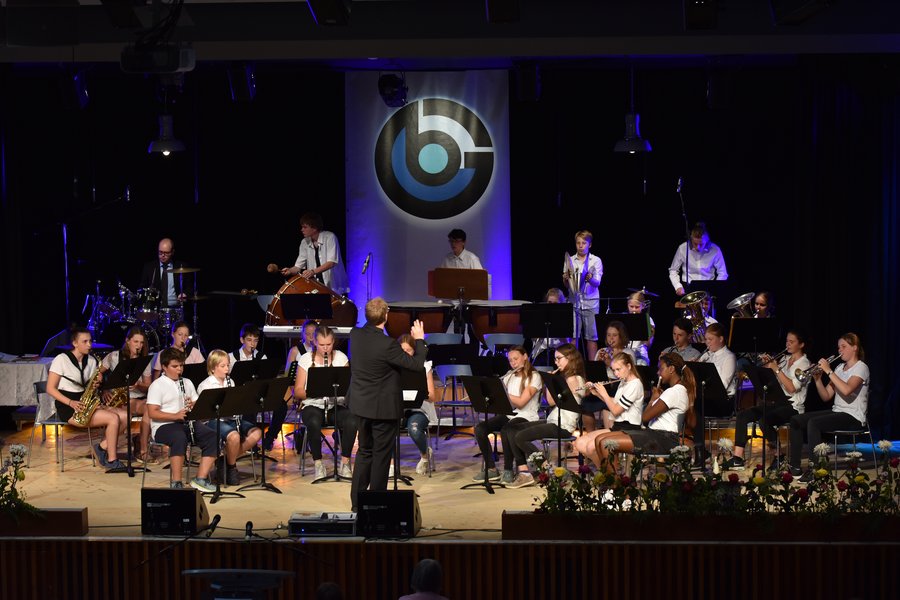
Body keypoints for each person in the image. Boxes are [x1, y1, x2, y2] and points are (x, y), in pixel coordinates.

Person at [348, 298, 427, 511]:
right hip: (382, 410)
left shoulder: (355, 335)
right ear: (386, 315)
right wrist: (420, 340)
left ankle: (357, 504)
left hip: (360, 406)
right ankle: (375, 506)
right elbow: (416, 365)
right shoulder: (388, 345)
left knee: (364, 452)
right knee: (381, 456)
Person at [593, 352, 696, 474]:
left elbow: (645, 417)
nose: (658, 373)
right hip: (656, 435)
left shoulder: (674, 392)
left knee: (605, 443)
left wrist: (653, 400)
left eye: (661, 369)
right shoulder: (678, 390)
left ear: (671, 369)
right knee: (599, 439)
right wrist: (654, 399)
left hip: (662, 439)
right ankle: (612, 480)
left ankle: (614, 483)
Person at [724, 330, 810, 471]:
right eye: (787, 341)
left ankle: (778, 456)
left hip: (793, 407)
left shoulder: (805, 364)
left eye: (792, 342)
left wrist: (776, 369)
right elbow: (771, 382)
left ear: (801, 345)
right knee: (743, 415)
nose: (787, 344)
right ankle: (737, 458)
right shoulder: (784, 359)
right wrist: (766, 368)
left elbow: (791, 388)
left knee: (764, 420)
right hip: (778, 403)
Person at [789, 333, 869, 482]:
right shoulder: (839, 368)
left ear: (855, 348)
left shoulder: (861, 368)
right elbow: (826, 396)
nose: (840, 350)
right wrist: (818, 380)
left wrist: (828, 371)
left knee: (814, 423)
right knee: (796, 420)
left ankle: (815, 470)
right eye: (839, 347)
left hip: (854, 416)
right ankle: (794, 466)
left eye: (844, 346)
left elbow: (846, 390)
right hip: (837, 411)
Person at [46, 327, 128, 470]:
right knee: (113, 418)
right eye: (85, 341)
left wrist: (96, 384)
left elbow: (90, 386)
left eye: (90, 341)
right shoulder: (61, 359)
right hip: (68, 405)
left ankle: (101, 448)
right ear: (75, 343)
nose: (89, 345)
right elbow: (50, 389)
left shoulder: (91, 360)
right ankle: (112, 460)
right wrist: (71, 403)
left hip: (85, 401)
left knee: (125, 415)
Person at [506, 343, 586, 489]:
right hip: (553, 420)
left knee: (520, 437)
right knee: (512, 430)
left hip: (563, 425)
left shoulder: (574, 379)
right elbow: (550, 402)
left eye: (559, 358)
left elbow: (558, 400)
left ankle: (545, 468)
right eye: (555, 359)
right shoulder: (564, 377)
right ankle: (527, 472)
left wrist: (552, 382)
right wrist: (549, 382)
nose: (556, 362)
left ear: (570, 358)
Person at [146, 347, 218, 491]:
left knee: (212, 436)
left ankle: (200, 479)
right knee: (179, 437)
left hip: (186, 422)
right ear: (164, 367)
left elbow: (197, 403)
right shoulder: (157, 385)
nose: (179, 369)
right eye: (175, 366)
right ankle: (176, 482)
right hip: (163, 426)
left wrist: (193, 405)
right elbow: (152, 413)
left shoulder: (187, 382)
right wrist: (175, 416)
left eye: (181, 365)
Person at [469, 345, 542, 484]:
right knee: (480, 429)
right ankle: (491, 469)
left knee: (506, 429)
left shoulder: (535, 376)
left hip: (526, 416)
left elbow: (521, 402)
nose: (513, 363)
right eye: (510, 360)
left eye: (516, 359)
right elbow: (504, 402)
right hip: (510, 414)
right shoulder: (509, 375)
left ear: (525, 356)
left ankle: (508, 469)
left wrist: (501, 393)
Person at [294, 326, 356, 481]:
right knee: (313, 422)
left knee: (352, 420)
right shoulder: (306, 359)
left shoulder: (341, 358)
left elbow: (348, 389)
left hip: (336, 405)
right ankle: (318, 463)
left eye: (329, 344)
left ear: (333, 342)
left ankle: (345, 462)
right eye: (322, 345)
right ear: (315, 342)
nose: (325, 348)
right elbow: (298, 391)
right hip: (313, 405)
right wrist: (316, 390)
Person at [196, 350, 263, 486]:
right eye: (223, 366)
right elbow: (205, 412)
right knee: (234, 437)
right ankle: (232, 467)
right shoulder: (205, 385)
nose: (227, 369)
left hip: (231, 419)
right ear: (213, 368)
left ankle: (225, 460)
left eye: (228, 365)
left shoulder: (230, 381)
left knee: (256, 433)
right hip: (214, 421)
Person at [574, 352, 645, 465]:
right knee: (580, 443)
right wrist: (596, 393)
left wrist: (604, 393)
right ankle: (606, 471)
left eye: (618, 369)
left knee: (591, 447)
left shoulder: (635, 385)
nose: (616, 373)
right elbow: (615, 402)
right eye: (613, 370)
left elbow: (616, 410)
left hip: (629, 429)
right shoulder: (624, 381)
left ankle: (609, 472)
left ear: (629, 366)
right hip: (618, 427)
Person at [100, 325, 153, 462]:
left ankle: (142, 449)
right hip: (119, 400)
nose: (139, 346)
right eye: (136, 342)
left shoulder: (144, 361)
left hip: (137, 399)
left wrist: (139, 385)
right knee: (124, 415)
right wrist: (105, 389)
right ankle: (105, 447)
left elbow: (148, 386)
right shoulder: (114, 356)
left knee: (151, 409)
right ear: (127, 341)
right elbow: (97, 374)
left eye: (141, 343)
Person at [693, 322, 737, 466]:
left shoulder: (729, 357)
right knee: (691, 404)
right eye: (706, 339)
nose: (707, 343)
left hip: (724, 402)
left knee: (696, 406)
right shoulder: (707, 355)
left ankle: (700, 451)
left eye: (710, 339)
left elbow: (723, 385)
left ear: (721, 339)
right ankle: (699, 450)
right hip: (708, 399)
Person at [279, 212, 349, 294]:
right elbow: (298, 267)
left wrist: (313, 272)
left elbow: (331, 262)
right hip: (316, 287)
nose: (302, 230)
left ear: (314, 228)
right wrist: (290, 270)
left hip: (334, 286)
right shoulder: (304, 242)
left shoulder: (330, 237)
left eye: (305, 227)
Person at [398, 333, 438, 476]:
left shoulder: (424, 367)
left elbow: (432, 396)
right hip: (399, 408)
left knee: (414, 429)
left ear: (415, 351)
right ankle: (390, 464)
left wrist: (418, 392)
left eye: (408, 350)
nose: (405, 354)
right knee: (386, 427)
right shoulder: (394, 367)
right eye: (402, 350)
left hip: (420, 409)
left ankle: (425, 455)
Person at [563, 230, 603, 360]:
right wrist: (565, 279)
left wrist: (590, 278)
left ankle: (592, 367)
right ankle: (572, 366)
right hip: (574, 303)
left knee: (591, 338)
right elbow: (567, 285)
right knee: (574, 337)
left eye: (584, 243)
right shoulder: (570, 260)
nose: (580, 246)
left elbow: (597, 283)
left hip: (591, 303)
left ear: (589, 245)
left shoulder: (595, 260)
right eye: (578, 243)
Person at [667, 221, 728, 296]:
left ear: (707, 241)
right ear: (691, 239)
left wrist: (716, 288)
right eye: (695, 244)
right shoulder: (683, 248)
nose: (698, 247)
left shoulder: (715, 250)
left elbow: (722, 273)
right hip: (688, 286)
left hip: (708, 287)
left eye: (701, 244)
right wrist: (678, 286)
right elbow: (673, 270)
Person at [139, 237, 187, 308]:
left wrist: (185, 294)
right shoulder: (149, 267)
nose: (163, 255)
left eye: (166, 253)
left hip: (176, 308)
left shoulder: (180, 266)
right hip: (156, 308)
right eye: (160, 252)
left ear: (172, 252)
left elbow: (189, 287)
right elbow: (142, 288)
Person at [529, 287, 572, 364]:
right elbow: (534, 339)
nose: (552, 307)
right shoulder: (539, 316)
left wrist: (558, 328)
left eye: (555, 304)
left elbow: (567, 344)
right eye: (549, 303)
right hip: (541, 353)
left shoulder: (565, 318)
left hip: (559, 353)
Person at [625, 291, 655, 366]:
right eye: (631, 306)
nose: (634, 309)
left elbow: (648, 344)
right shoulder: (624, 319)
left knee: (641, 365)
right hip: (625, 354)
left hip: (640, 356)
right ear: (627, 305)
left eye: (637, 307)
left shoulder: (648, 320)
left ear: (643, 306)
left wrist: (648, 332)